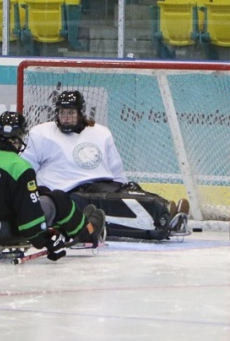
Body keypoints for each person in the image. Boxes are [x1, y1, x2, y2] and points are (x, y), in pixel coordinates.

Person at [21, 90, 190, 240]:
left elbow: (115, 168)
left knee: (126, 194)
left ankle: (166, 209)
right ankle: (164, 216)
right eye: (62, 112)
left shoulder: (100, 132)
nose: (65, 117)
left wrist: (122, 185)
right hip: (67, 193)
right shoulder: (41, 133)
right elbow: (25, 168)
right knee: (111, 205)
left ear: (80, 113)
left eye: (71, 112)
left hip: (102, 185)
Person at [0, 111, 105, 261]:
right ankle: (87, 232)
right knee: (58, 199)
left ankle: (70, 225)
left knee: (41, 192)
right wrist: (45, 243)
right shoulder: (19, 167)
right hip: (9, 233)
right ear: (20, 136)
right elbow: (29, 220)